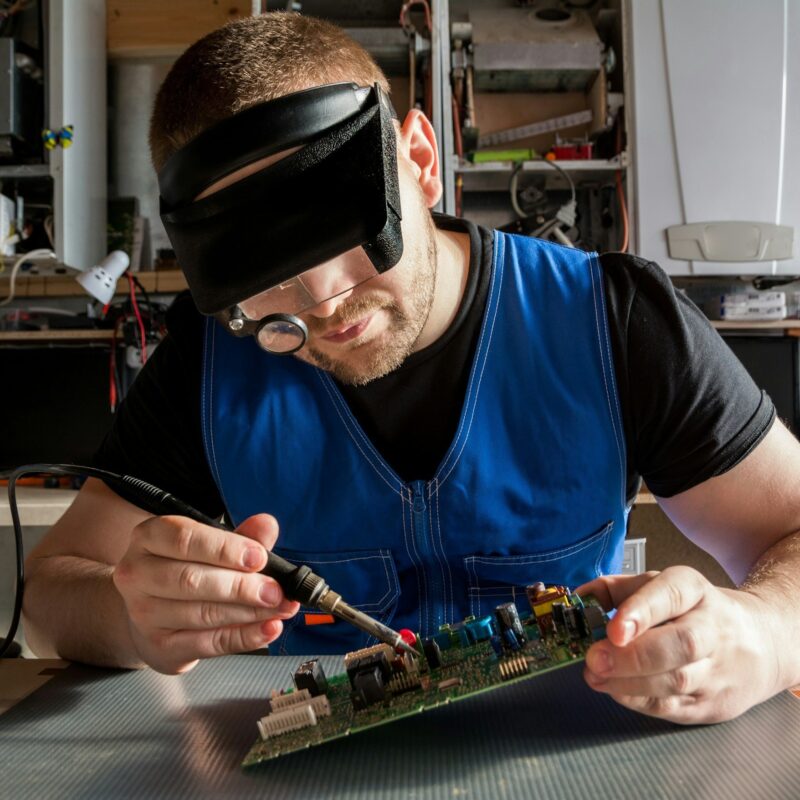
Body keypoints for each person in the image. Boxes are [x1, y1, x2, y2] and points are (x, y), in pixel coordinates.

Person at [22, 13, 800, 726]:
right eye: (274, 278)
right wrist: (134, 615)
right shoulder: (211, 359)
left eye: (346, 242)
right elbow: (51, 592)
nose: (325, 306)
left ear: (422, 161)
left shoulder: (612, 321)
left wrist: (763, 633)